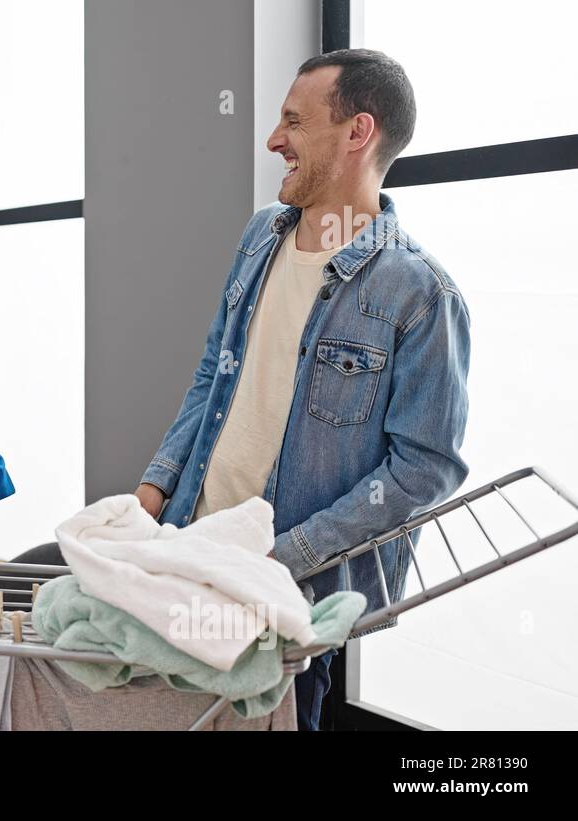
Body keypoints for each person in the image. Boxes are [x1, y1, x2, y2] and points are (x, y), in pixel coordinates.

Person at [135, 49, 470, 730]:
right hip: (191, 553)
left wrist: (284, 557)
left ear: (357, 132)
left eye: (293, 121)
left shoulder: (420, 295)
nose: (273, 139)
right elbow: (214, 372)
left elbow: (424, 468)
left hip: (293, 597)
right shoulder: (262, 236)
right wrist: (153, 492)